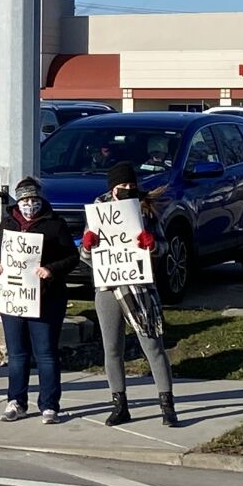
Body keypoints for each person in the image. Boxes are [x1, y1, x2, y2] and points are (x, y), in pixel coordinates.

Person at [80, 161, 180, 428]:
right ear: (112, 188)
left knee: (152, 346)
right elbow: (87, 256)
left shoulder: (144, 211)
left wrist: (151, 244)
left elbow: (164, 246)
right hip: (108, 288)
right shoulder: (96, 212)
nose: (127, 190)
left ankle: (167, 406)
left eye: (131, 186)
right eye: (122, 186)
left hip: (140, 287)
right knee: (112, 349)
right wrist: (88, 246)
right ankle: (119, 404)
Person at [0, 176, 78, 424]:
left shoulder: (55, 224)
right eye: (25, 199)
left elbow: (72, 257)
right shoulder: (7, 224)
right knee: (17, 354)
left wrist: (51, 269)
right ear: (18, 201)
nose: (29, 204)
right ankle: (16, 401)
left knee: (46, 354)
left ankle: (49, 405)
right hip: (14, 298)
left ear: (40, 199)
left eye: (34, 198)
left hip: (47, 299)